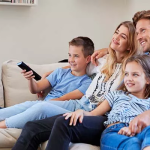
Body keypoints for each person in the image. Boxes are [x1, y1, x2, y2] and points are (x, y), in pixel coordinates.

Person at [12, 21, 141, 150]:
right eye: (116, 32)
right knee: (31, 127)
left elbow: (142, 58)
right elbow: (77, 64)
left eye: (123, 37)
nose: (116, 37)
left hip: (101, 115)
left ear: (130, 45)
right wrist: (49, 73)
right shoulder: (102, 62)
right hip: (82, 105)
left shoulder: (132, 68)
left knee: (63, 122)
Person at [39, 54, 150, 150]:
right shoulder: (116, 95)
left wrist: (132, 130)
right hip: (115, 131)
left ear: (148, 79)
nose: (129, 78)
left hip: (139, 133)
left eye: (135, 74)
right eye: (126, 74)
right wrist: (81, 112)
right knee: (133, 145)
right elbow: (93, 113)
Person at [0, 36, 93, 129]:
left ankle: (2, 125)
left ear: (88, 59)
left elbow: (62, 99)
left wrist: (40, 105)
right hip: (44, 105)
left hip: (56, 109)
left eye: (76, 56)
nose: (71, 60)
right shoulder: (60, 72)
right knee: (29, 104)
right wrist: (30, 79)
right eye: (69, 55)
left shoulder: (87, 83)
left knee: (38, 106)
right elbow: (36, 89)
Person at [91, 10, 150, 135]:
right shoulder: (144, 57)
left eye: (143, 31)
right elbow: (133, 51)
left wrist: (147, 115)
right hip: (116, 114)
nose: (138, 37)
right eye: (137, 33)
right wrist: (109, 49)